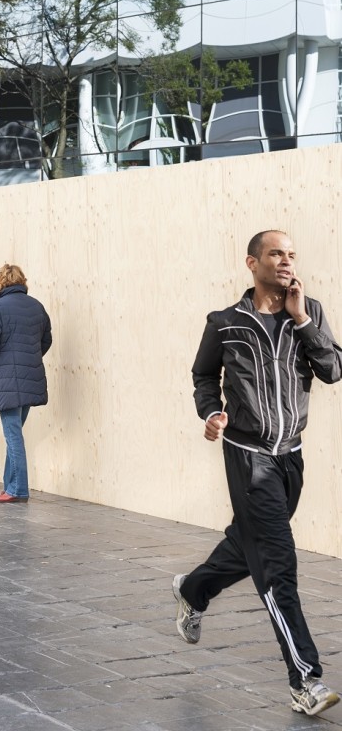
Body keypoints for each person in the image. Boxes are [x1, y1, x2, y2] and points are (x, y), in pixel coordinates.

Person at [174, 230, 342, 716]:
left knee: (249, 544)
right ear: (253, 263)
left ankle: (192, 589)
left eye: (292, 254)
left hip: (291, 456)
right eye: (277, 254)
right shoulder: (225, 323)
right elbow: (203, 375)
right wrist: (211, 413)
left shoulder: (307, 313)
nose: (287, 261)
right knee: (276, 563)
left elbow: (332, 370)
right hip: (248, 457)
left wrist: (303, 319)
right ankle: (305, 679)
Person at [0, 264, 51, 503]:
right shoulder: (36, 306)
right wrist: (30, 358)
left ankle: (18, 489)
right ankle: (10, 485)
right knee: (15, 433)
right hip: (30, 378)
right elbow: (46, 339)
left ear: (0, 282)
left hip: (6, 381)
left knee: (13, 436)